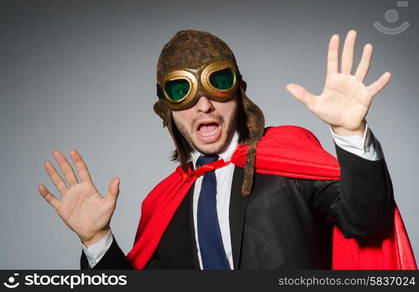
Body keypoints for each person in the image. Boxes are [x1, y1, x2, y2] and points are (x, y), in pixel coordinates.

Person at [38, 29, 415, 270]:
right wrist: (96, 242)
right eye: (182, 92)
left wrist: (349, 132)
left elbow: (369, 222)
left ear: (238, 92)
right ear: (167, 111)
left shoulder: (288, 161)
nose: (203, 105)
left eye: (217, 83)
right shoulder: (162, 205)